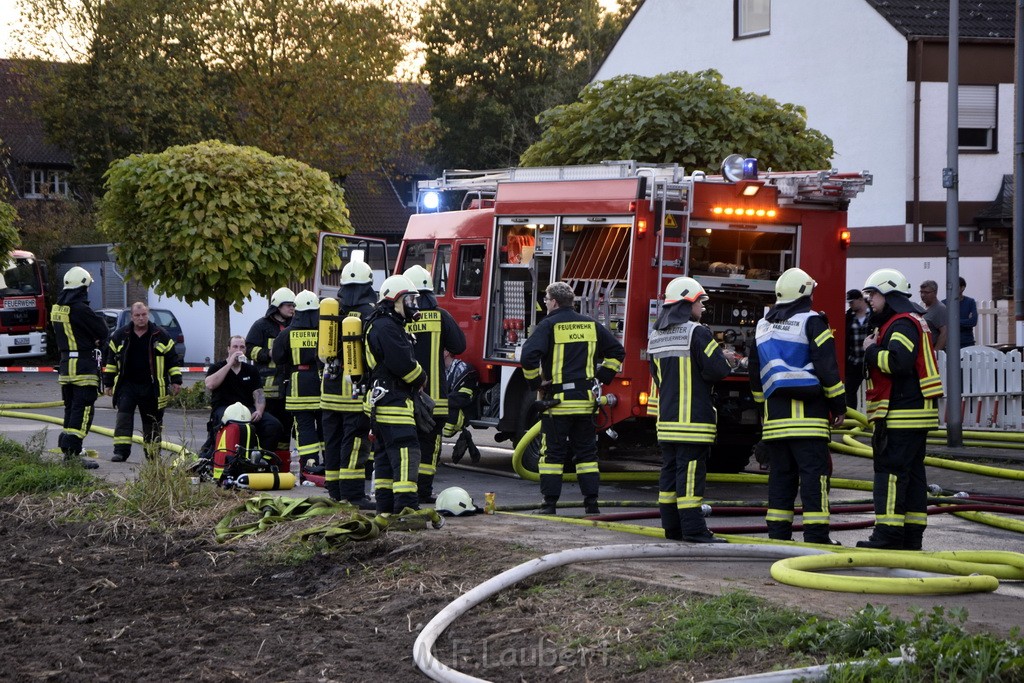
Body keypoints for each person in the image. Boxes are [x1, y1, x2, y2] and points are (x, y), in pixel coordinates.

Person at [748, 268, 846, 545]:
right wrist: (839, 406)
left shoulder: (762, 325)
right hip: (809, 421)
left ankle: (778, 538)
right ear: (805, 293)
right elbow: (828, 367)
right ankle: (816, 538)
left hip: (775, 423)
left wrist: (762, 409)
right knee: (815, 480)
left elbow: (755, 374)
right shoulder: (813, 322)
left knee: (781, 480)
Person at [520, 281, 625, 515]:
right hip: (586, 401)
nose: (545, 304)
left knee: (553, 456)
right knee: (587, 455)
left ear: (554, 302)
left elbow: (528, 357)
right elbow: (617, 352)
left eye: (546, 300)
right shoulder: (590, 325)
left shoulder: (548, 325)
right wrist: (602, 376)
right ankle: (592, 504)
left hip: (557, 403)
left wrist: (536, 383)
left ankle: (549, 505)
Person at [858, 268, 943, 550]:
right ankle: (911, 536)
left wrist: (870, 349)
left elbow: (899, 363)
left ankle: (888, 535)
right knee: (913, 475)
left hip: (902, 414)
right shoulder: (911, 320)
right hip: (915, 413)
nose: (870, 300)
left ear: (888, 294)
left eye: (873, 294)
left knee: (890, 472)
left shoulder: (901, 324)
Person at [648, 277, 731, 543]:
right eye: (700, 302)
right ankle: (695, 531)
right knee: (691, 477)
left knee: (670, 475)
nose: (703, 307)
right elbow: (718, 370)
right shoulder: (698, 332)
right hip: (694, 421)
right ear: (687, 304)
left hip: (668, 420)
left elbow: (657, 378)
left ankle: (672, 529)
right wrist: (726, 358)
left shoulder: (655, 336)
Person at [403, 265, 467, 503]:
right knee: (429, 447)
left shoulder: (397, 318)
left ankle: (405, 489)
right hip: (436, 399)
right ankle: (424, 491)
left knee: (406, 444)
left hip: (404, 398)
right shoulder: (441, 316)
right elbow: (460, 346)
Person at [363, 274, 427, 514]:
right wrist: (421, 378)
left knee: (385, 459)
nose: (413, 305)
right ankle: (406, 509)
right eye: (409, 299)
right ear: (394, 300)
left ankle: (385, 509)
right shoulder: (387, 326)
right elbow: (402, 364)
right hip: (392, 403)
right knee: (406, 452)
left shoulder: (384, 324)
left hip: (384, 400)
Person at [321, 260, 376, 506]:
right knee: (354, 443)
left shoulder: (332, 311)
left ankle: (334, 490)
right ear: (369, 284)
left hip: (329, 390)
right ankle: (353, 494)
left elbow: (320, 353)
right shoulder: (370, 313)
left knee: (332, 442)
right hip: (355, 391)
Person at [103, 302, 183, 462]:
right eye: (137, 315)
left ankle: (152, 455)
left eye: (144, 315)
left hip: (151, 386)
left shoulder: (161, 335)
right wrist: (108, 383)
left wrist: (176, 381)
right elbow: (111, 361)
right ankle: (120, 451)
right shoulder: (120, 335)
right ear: (131, 317)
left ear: (148, 315)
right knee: (123, 419)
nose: (141, 318)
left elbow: (173, 360)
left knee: (152, 422)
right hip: (127, 385)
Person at [51, 266, 108, 469]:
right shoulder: (81, 309)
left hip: (66, 368)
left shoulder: (57, 308)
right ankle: (73, 454)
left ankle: (68, 454)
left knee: (71, 410)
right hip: (83, 368)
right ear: (82, 287)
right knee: (83, 412)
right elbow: (102, 331)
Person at [272, 290, 324, 476]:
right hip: (322, 384)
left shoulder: (286, 334)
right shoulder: (324, 331)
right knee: (326, 424)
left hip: (298, 385)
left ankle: (310, 464)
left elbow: (278, 357)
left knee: (304, 426)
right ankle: (330, 462)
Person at [203, 335, 284, 454]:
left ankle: (262, 457)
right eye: (235, 347)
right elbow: (210, 385)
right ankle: (227, 458)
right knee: (236, 425)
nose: (238, 350)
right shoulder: (218, 367)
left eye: (242, 347)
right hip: (224, 409)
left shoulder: (251, 370)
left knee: (274, 425)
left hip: (246, 409)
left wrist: (259, 411)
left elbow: (259, 394)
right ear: (228, 349)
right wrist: (229, 364)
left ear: (245, 350)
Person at [245, 287, 295, 451]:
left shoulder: (295, 326)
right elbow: (249, 349)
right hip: (268, 390)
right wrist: (268, 353)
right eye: (288, 305)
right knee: (269, 427)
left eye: (293, 306)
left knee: (286, 429)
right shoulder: (261, 326)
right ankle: (264, 457)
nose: (292, 309)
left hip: (288, 390)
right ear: (277, 306)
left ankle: (281, 461)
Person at [443, 349, 481, 464]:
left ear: (447, 353)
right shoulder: (441, 370)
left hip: (460, 411)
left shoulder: (462, 370)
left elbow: (461, 398)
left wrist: (437, 402)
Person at [844, 289, 871, 409]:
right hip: (853, 361)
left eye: (852, 302)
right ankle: (851, 421)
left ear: (860, 300)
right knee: (849, 391)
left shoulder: (874, 314)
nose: (850, 305)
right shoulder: (848, 316)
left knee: (873, 390)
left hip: (871, 361)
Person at [943, 276, 977, 348]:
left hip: (967, 342)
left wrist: (953, 321)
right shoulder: (944, 304)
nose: (951, 289)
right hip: (949, 342)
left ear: (962, 288)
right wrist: (964, 321)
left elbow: (973, 321)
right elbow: (944, 323)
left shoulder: (970, 302)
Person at [918, 279, 947, 352]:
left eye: (926, 293)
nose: (923, 295)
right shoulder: (925, 308)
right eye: (921, 292)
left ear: (935, 293)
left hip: (934, 352)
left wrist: (935, 353)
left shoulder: (940, 309)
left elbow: (945, 333)